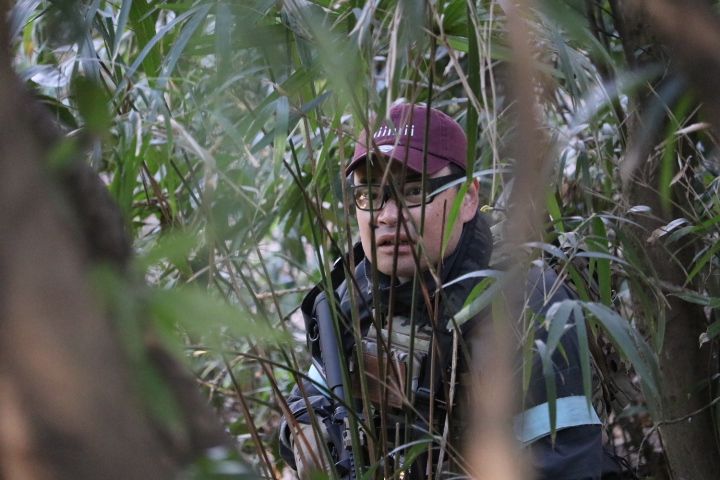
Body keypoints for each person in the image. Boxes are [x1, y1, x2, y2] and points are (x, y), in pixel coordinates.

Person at [279, 104, 622, 479]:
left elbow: (565, 467)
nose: (388, 216)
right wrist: (306, 432)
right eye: (370, 195)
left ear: (468, 198)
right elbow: (312, 393)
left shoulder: (528, 306)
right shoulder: (352, 292)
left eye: (414, 191)